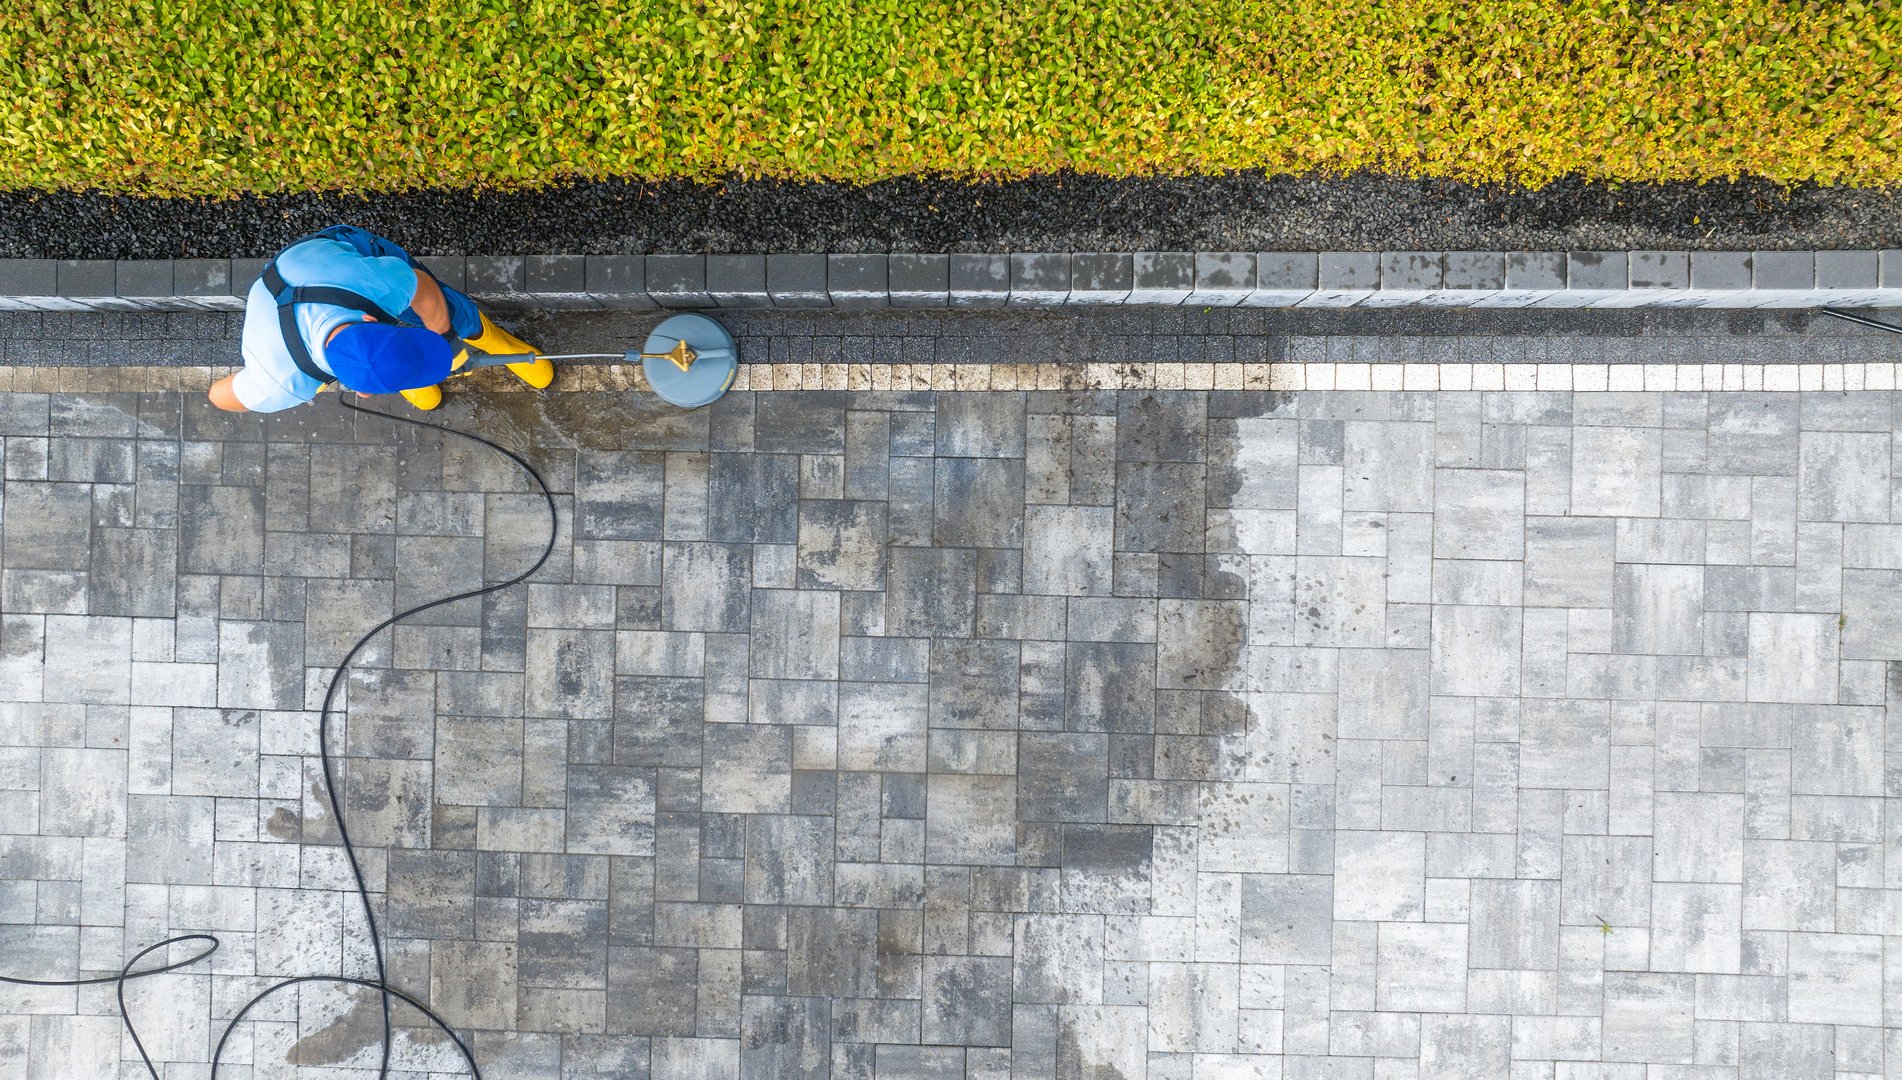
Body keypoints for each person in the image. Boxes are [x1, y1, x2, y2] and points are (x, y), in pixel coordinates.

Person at [207, 225, 553, 413]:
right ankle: (407, 373)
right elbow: (218, 397)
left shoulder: (377, 282)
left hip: (330, 259)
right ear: (360, 391)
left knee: (452, 312)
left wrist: (447, 338)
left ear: (373, 321)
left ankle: (499, 343)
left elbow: (425, 291)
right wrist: (267, 370)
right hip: (299, 295)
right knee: (385, 360)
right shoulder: (279, 385)